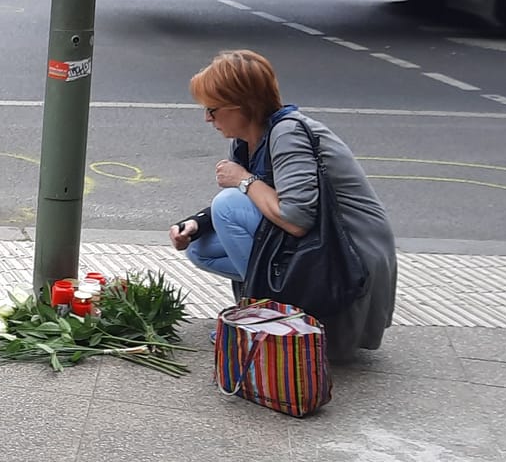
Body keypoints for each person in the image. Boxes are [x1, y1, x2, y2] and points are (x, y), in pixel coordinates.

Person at [169, 50, 397, 354]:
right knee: (202, 246)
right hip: (325, 252)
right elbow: (256, 198)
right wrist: (195, 223)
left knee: (227, 205)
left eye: (213, 109)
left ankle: (265, 324)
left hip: (347, 265)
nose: (207, 118)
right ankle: (275, 314)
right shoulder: (248, 139)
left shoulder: (288, 133)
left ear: (242, 107)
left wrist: (243, 179)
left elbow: (296, 220)